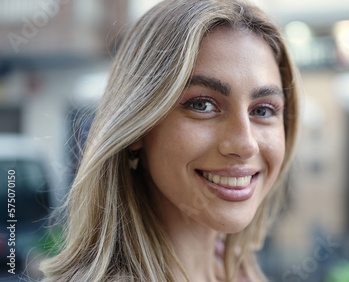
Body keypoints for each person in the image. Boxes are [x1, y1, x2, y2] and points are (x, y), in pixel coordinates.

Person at [40, 0, 300, 281]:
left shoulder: (240, 274)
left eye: (262, 110)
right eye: (202, 105)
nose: (245, 144)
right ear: (137, 127)